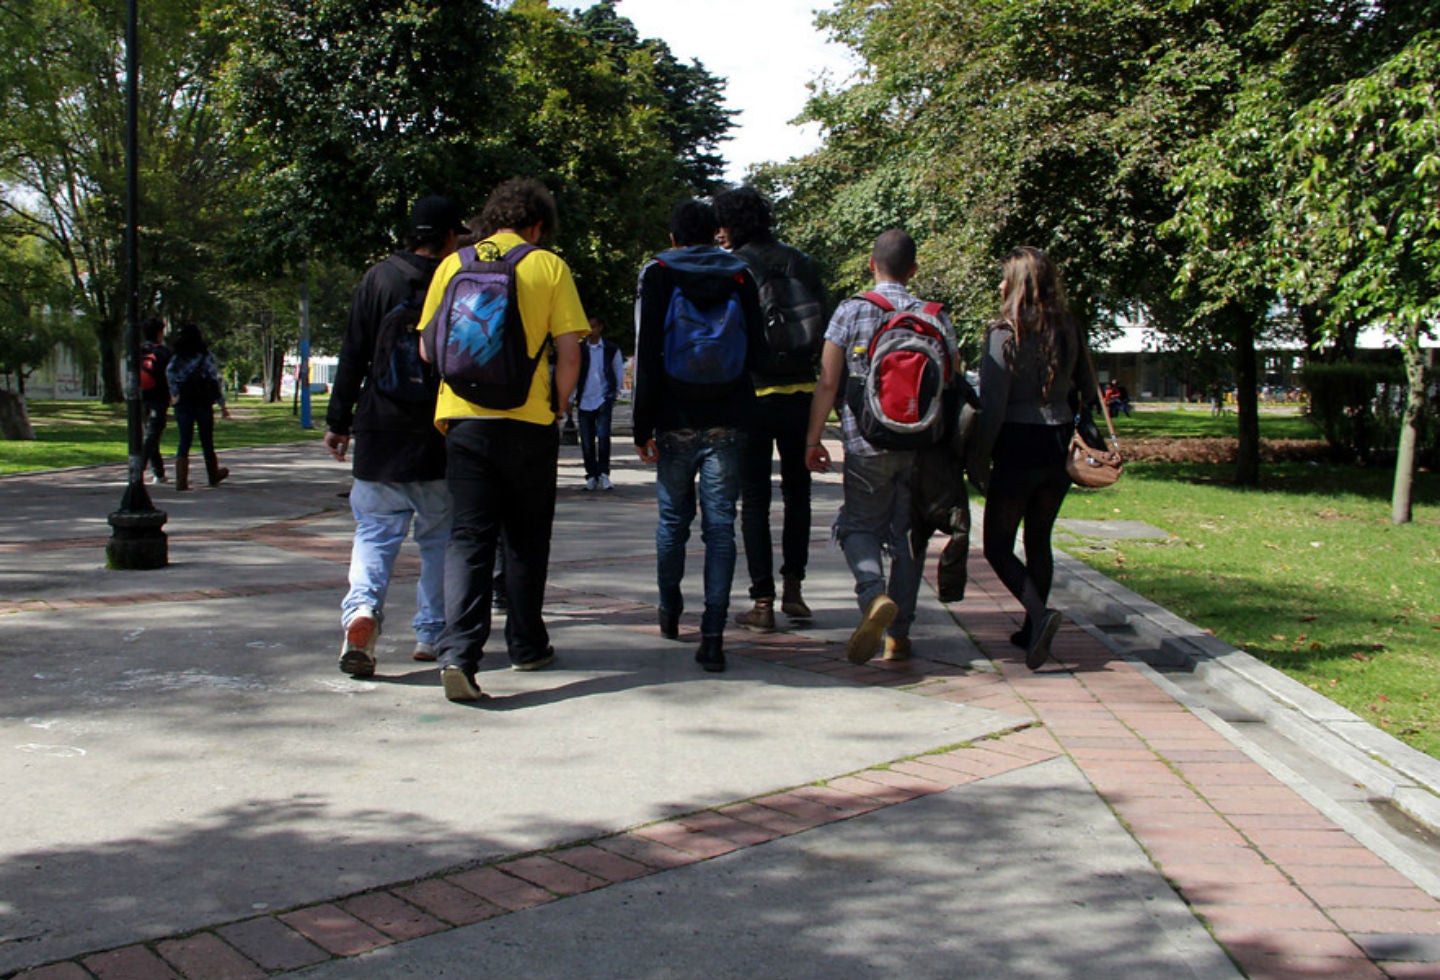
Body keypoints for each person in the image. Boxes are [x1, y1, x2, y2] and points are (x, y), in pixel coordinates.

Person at [419, 178, 588, 702]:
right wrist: (558, 409)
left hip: (463, 420)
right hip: (528, 421)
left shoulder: (453, 264)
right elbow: (570, 352)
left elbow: (428, 351)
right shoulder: (548, 265)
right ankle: (526, 644)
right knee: (525, 538)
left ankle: (459, 655)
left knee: (469, 539)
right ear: (537, 224)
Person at [324, 195, 465, 678]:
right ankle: (430, 633)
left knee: (375, 534)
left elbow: (353, 352)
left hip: (380, 428)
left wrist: (338, 420)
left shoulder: (378, 278)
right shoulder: (456, 279)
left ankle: (362, 613)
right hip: (440, 430)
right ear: (449, 236)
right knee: (438, 539)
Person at [805, 230, 959, 664]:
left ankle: (873, 595)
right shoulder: (935, 316)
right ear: (913, 270)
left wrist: (813, 440)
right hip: (922, 445)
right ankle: (900, 636)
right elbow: (951, 383)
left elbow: (828, 382)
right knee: (908, 535)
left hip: (865, 441)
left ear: (872, 264)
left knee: (858, 527)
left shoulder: (851, 311)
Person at [633, 199, 765, 673]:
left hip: (674, 417)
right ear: (716, 233)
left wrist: (641, 426)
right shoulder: (740, 274)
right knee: (720, 528)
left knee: (673, 523)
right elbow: (759, 351)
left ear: (673, 237)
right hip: (729, 416)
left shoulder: (658, 273)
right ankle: (713, 634)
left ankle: (670, 612)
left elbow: (646, 353)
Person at [968, 246, 1096, 670]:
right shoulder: (1068, 328)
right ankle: (1030, 627)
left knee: (998, 546)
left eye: (1005, 278)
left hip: (1018, 445)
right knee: (1040, 538)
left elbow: (994, 406)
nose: (1000, 284)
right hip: (1058, 443)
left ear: (1018, 285)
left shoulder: (1005, 333)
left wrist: (978, 459)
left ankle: (1039, 617)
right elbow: (1087, 388)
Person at [713, 186, 829, 631]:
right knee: (798, 492)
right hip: (800, 392)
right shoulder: (801, 261)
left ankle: (762, 600)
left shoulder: (733, 267)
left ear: (733, 223)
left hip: (752, 394)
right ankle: (795, 589)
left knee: (755, 498)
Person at [165, 322, 231, 492]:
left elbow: (170, 371)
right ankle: (212, 475)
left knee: (184, 440)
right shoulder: (204, 355)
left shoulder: (178, 356)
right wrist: (222, 405)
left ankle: (181, 480)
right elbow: (214, 379)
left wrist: (175, 392)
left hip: (184, 401)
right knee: (206, 440)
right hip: (202, 401)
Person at [574, 316, 626, 491]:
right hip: (584, 400)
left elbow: (618, 369)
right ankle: (591, 475)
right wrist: (571, 396)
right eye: (587, 327)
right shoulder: (580, 349)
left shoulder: (611, 349)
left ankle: (604, 474)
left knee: (603, 438)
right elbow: (573, 371)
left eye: (593, 326)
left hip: (603, 398)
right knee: (587, 440)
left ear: (601, 327)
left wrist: (614, 391)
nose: (590, 330)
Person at [139, 317, 171, 484]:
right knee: (152, 435)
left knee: (151, 435)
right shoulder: (164, 352)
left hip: (142, 397)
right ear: (160, 332)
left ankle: (159, 472)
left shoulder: (139, 350)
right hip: (159, 397)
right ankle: (140, 468)